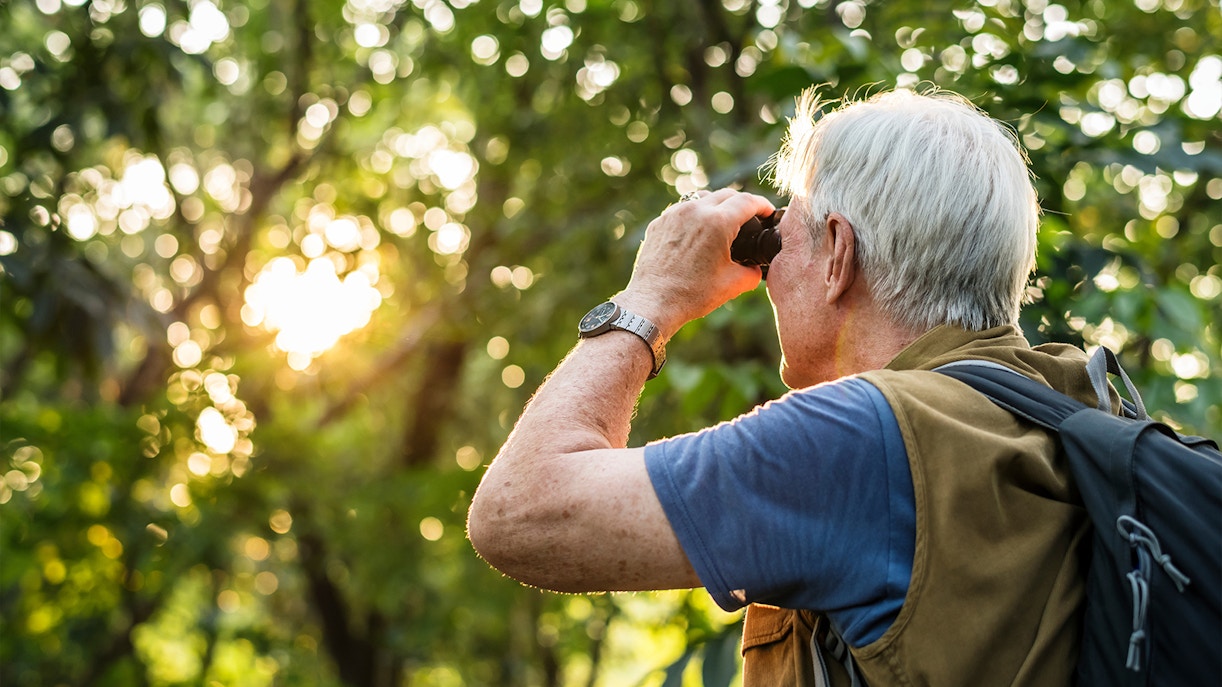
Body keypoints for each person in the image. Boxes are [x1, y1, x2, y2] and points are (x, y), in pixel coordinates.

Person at [467, 87, 1103, 686]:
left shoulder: (862, 438)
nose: (766, 275)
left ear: (837, 254)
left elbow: (518, 514)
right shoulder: (1075, 403)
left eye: (777, 240)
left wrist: (650, 299)